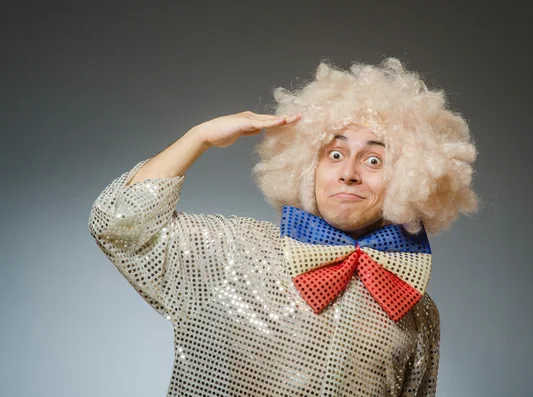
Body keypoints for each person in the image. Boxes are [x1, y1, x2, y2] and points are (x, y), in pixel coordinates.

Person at [88, 57, 478, 396]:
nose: (349, 174)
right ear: (307, 165)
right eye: (335, 153)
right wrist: (199, 138)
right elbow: (119, 223)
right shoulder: (231, 252)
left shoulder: (416, 310)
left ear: (411, 177)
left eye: (373, 160)